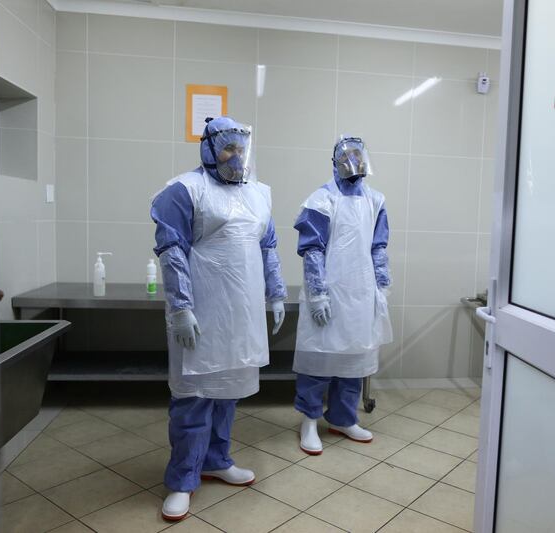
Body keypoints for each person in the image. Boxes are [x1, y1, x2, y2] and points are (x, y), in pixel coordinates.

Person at [150, 116, 287, 520]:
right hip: (202, 312)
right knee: (193, 394)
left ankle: (216, 459)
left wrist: (276, 294)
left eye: (241, 148)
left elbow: (269, 248)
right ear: (208, 147)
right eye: (227, 147)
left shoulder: (259, 194)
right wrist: (181, 308)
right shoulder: (184, 191)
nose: (236, 155)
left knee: (227, 389)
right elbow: (172, 252)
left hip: (242, 314)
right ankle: (181, 480)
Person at [292, 135, 393, 455]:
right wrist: (317, 293)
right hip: (329, 292)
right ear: (334, 161)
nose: (354, 161)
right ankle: (309, 420)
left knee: (354, 359)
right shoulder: (321, 200)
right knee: (318, 359)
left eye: (359, 155)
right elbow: (312, 251)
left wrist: (382, 285)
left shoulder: (375, 200)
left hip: (361, 294)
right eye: (347, 155)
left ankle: (343, 417)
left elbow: (378, 246)